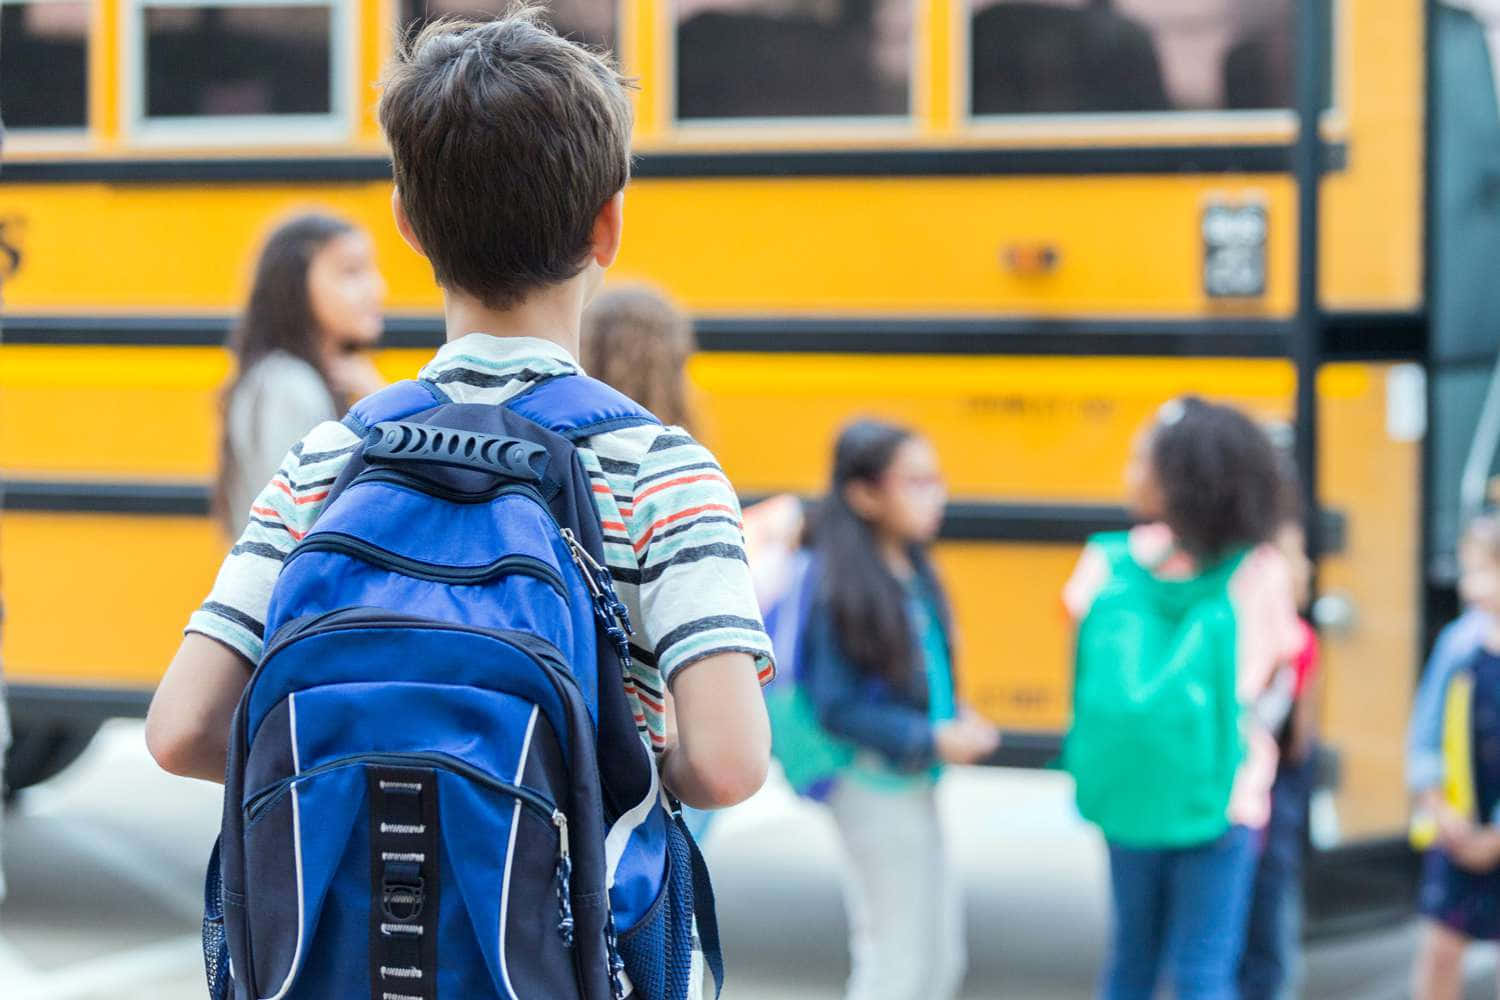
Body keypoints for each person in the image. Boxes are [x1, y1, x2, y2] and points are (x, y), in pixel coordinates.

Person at [146, 2, 772, 838]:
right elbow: (728, 765)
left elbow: (181, 730)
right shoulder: (661, 469)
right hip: (575, 959)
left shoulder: (329, 459)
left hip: (344, 951)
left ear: (407, 224)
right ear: (608, 225)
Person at [1063, 397, 1302, 1000]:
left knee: (1130, 964)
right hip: (1224, 795)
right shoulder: (1260, 571)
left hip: (1127, 791)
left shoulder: (1104, 561)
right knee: (1204, 969)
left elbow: (1081, 652)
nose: (1129, 473)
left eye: (1141, 460)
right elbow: (1273, 672)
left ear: (1177, 478)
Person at [798, 419, 1000, 1000]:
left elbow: (922, 672)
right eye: (914, 481)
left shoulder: (911, 568)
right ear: (864, 494)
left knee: (940, 959)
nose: (935, 494)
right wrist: (932, 738)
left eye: (936, 479)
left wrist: (953, 716)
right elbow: (836, 706)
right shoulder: (841, 582)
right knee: (896, 962)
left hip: (912, 781)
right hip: (873, 787)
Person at [214, 212, 386, 533]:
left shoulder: (288, 377)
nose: (376, 287)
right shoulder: (290, 385)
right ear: (295, 285)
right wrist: (381, 405)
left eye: (372, 270)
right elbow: (305, 525)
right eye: (351, 272)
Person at [1239, 463, 1321, 1000]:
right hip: (1266, 806)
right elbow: (1299, 739)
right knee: (1265, 936)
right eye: (1295, 556)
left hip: (1261, 810)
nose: (1308, 567)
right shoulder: (1292, 640)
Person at [1410, 514, 1500, 1000]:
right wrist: (1439, 807)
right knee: (1441, 951)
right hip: (1458, 825)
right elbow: (1425, 734)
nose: (1471, 586)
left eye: (1484, 571)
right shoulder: (1458, 646)